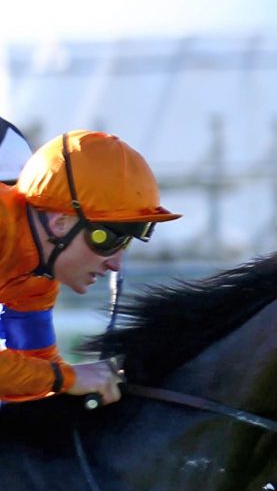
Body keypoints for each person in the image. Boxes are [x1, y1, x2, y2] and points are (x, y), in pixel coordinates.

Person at [1, 129, 180, 408]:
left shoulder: (38, 274)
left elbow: (36, 374)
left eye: (127, 243)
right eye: (106, 238)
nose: (116, 263)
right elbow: (52, 378)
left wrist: (87, 381)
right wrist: (69, 378)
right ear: (60, 224)